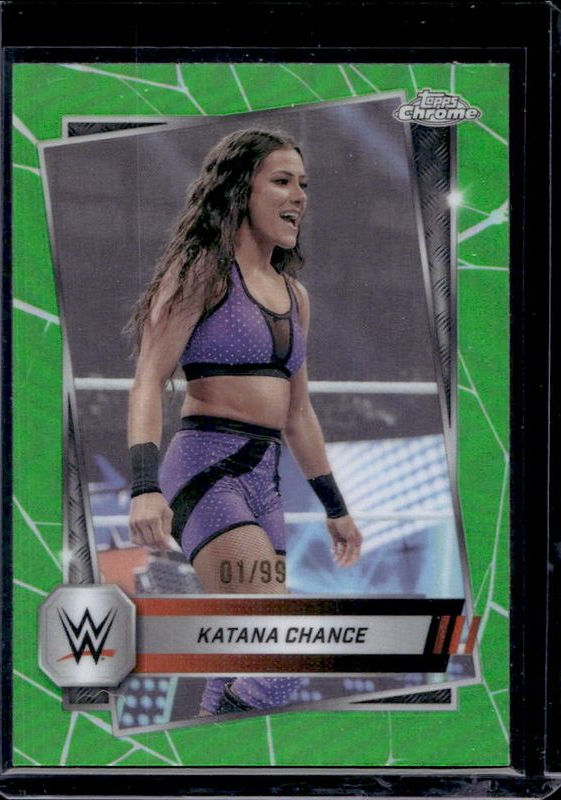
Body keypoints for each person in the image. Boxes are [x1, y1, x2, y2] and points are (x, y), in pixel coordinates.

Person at [126, 128, 362, 715]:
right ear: (240, 191)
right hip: (206, 472)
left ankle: (212, 752)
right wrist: (144, 487)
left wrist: (335, 508)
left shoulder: (295, 295)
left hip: (265, 482)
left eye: (303, 183)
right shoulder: (200, 273)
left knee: (241, 655)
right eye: (281, 181)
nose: (299, 196)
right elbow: (148, 380)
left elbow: (299, 413)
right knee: (285, 647)